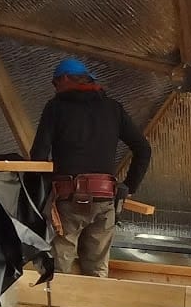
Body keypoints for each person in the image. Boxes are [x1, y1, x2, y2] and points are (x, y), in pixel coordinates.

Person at [28, 57, 152, 279]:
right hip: (105, 199)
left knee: (59, 270)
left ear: (64, 79)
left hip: (68, 199)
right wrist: (129, 186)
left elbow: (38, 155)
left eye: (55, 83)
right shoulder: (113, 108)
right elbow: (143, 148)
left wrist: (40, 192)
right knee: (97, 270)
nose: (55, 89)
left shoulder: (56, 107)